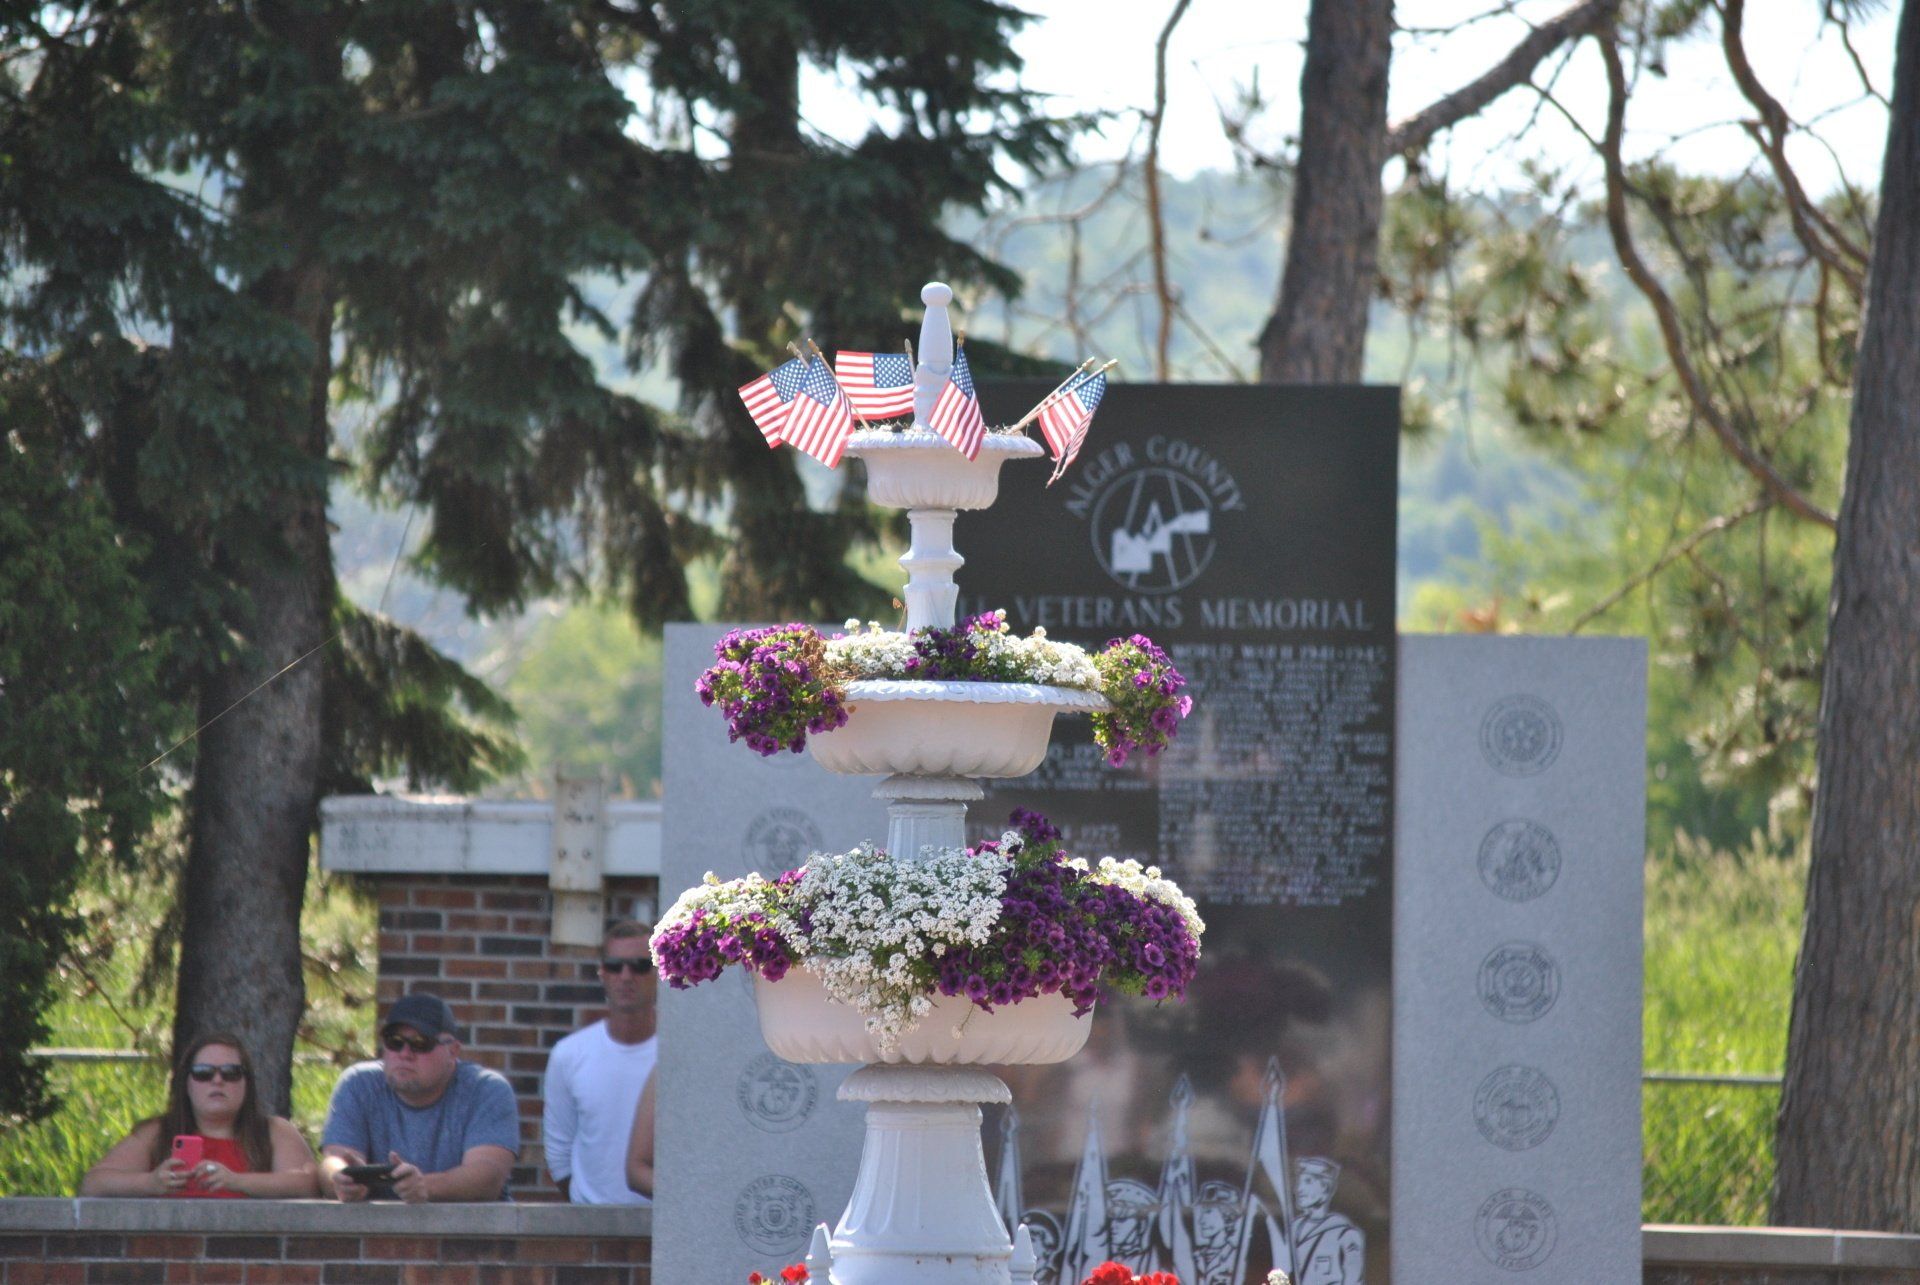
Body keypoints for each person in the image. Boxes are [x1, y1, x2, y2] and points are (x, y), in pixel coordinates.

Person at [319, 993, 520, 1202]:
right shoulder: (359, 1084)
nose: (405, 1053)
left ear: (453, 1051)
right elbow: (334, 1160)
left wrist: (425, 1186)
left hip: (470, 1232)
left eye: (420, 1043)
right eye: (395, 1042)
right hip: (377, 1232)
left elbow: (487, 1177)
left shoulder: (485, 1090)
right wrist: (341, 1179)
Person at [79, 1031, 317, 1199]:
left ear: (247, 1083)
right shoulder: (158, 1132)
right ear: (186, 1084)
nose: (217, 1081)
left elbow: (306, 1184)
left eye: (231, 1073)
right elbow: (94, 1183)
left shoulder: (274, 1130)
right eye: (203, 1073)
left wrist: (236, 1181)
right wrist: (150, 1183)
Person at [543, 920, 658, 1204]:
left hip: (663, 1224)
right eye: (615, 966)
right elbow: (559, 1154)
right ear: (602, 974)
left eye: (640, 966)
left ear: (659, 972)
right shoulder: (568, 1055)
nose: (626, 976)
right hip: (592, 1228)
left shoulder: (678, 1053)